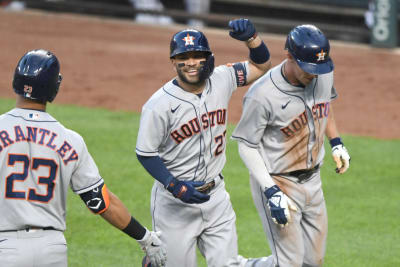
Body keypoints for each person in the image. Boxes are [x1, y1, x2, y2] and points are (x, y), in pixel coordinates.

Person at [0, 49, 166, 267]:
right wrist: (145, 237)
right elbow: (100, 202)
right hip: (52, 250)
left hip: (5, 246)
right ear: (54, 87)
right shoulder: (70, 140)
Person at [135, 19, 271, 267]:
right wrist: (174, 185)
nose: (191, 62)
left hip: (216, 197)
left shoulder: (223, 78)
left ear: (208, 57)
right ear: (173, 61)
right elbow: (145, 152)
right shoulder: (159, 105)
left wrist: (253, 39)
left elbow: (261, 66)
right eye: (183, 57)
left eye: (198, 55)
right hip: (174, 204)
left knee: (227, 264)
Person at [231, 25, 351, 266]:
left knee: (313, 261)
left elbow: (324, 105)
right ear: (289, 56)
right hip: (279, 182)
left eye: (319, 68)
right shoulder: (262, 95)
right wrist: (270, 190)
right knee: (289, 263)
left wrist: (336, 142)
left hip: (313, 182)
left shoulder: (322, 72)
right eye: (308, 69)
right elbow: (246, 145)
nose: (314, 75)